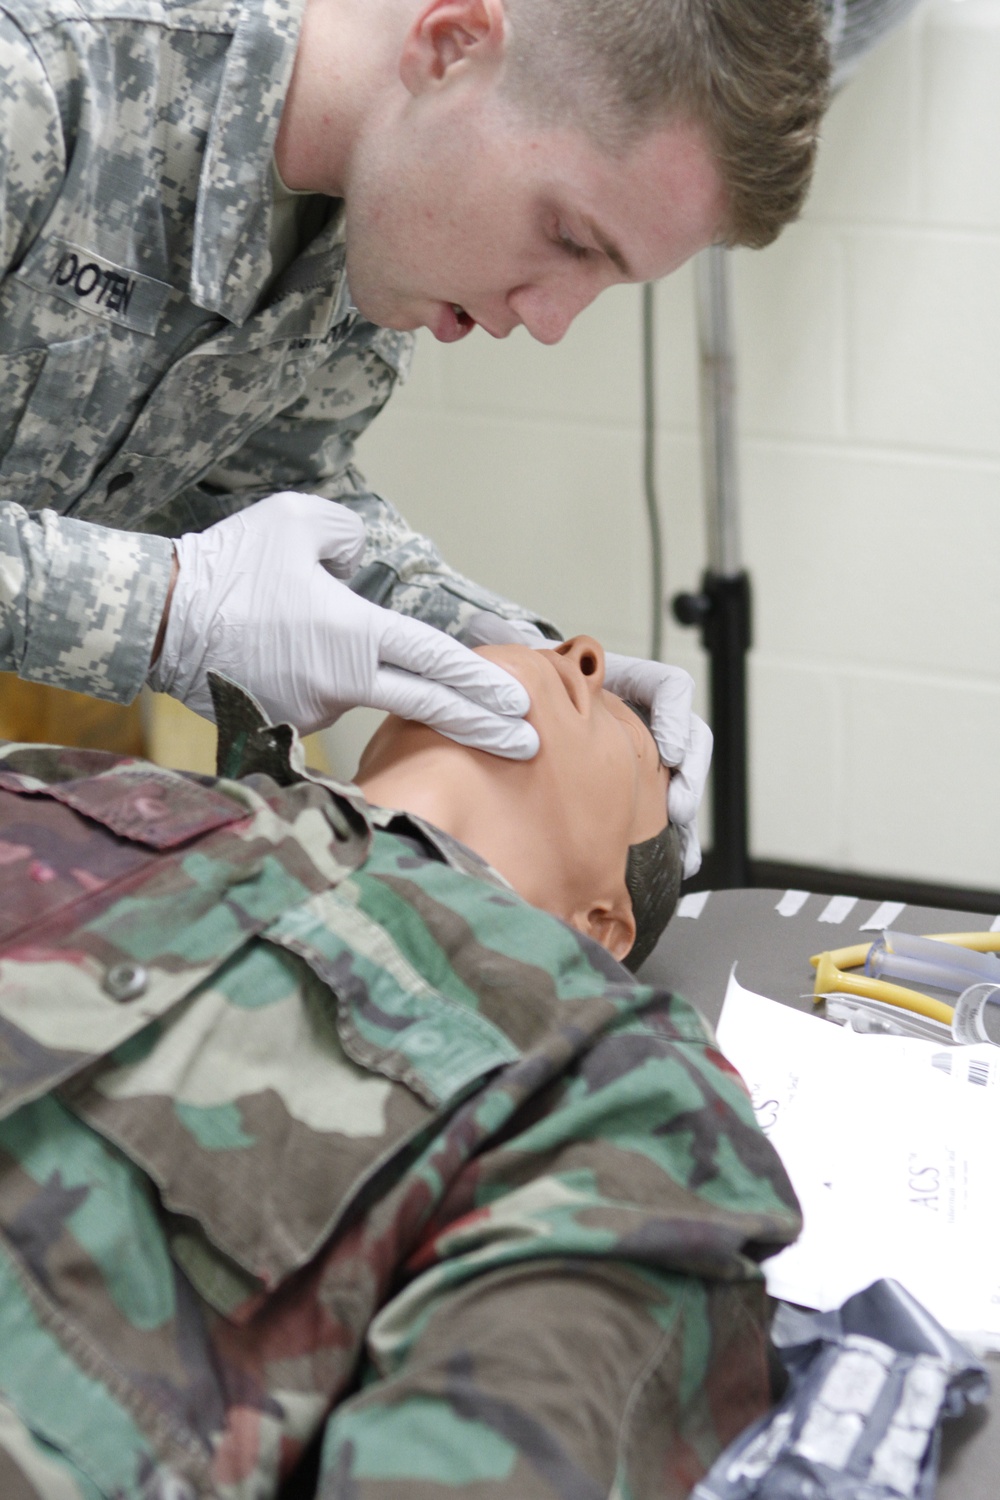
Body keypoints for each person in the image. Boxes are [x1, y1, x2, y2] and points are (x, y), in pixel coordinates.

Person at [0, 0, 831, 873]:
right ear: (451, 46)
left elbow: (263, 488)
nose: (551, 322)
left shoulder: (376, 221)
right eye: (569, 238)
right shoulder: (40, 80)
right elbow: (209, 585)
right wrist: (165, 612)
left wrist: (510, 656)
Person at [0, 634, 800, 1500]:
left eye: (625, 735)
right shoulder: (99, 788)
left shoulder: (608, 1065)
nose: (581, 653)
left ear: (600, 927)